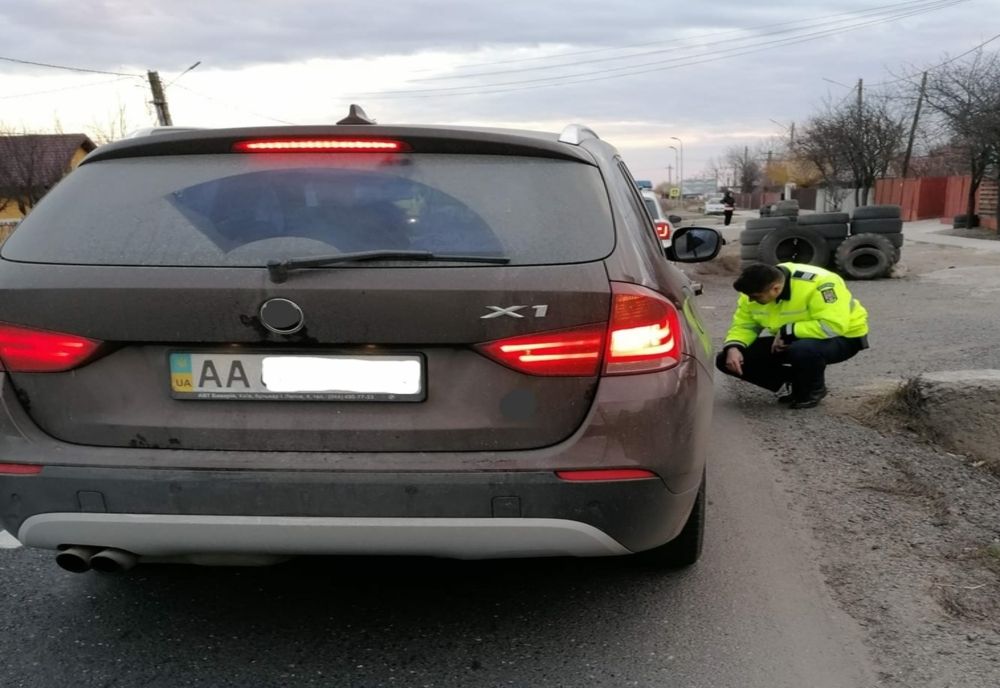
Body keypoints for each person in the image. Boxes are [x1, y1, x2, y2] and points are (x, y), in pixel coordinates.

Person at [716, 262, 869, 409]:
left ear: (775, 289)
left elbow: (833, 326)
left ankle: (812, 390)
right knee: (725, 359)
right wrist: (734, 347)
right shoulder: (754, 291)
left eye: (756, 297)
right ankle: (796, 381)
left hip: (844, 338)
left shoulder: (822, 283)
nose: (751, 300)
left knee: (802, 349)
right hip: (792, 338)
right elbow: (745, 326)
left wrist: (787, 331)